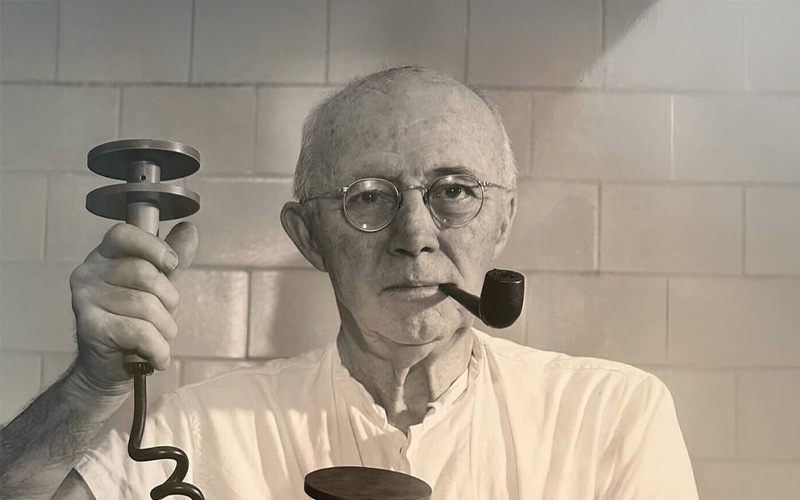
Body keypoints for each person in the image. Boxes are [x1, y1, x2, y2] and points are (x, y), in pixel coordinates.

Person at [0, 66, 699, 499]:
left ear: (503, 220)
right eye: (368, 197)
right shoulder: (198, 429)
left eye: (455, 191)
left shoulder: (612, 416)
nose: (415, 235)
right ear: (309, 236)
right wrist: (90, 389)